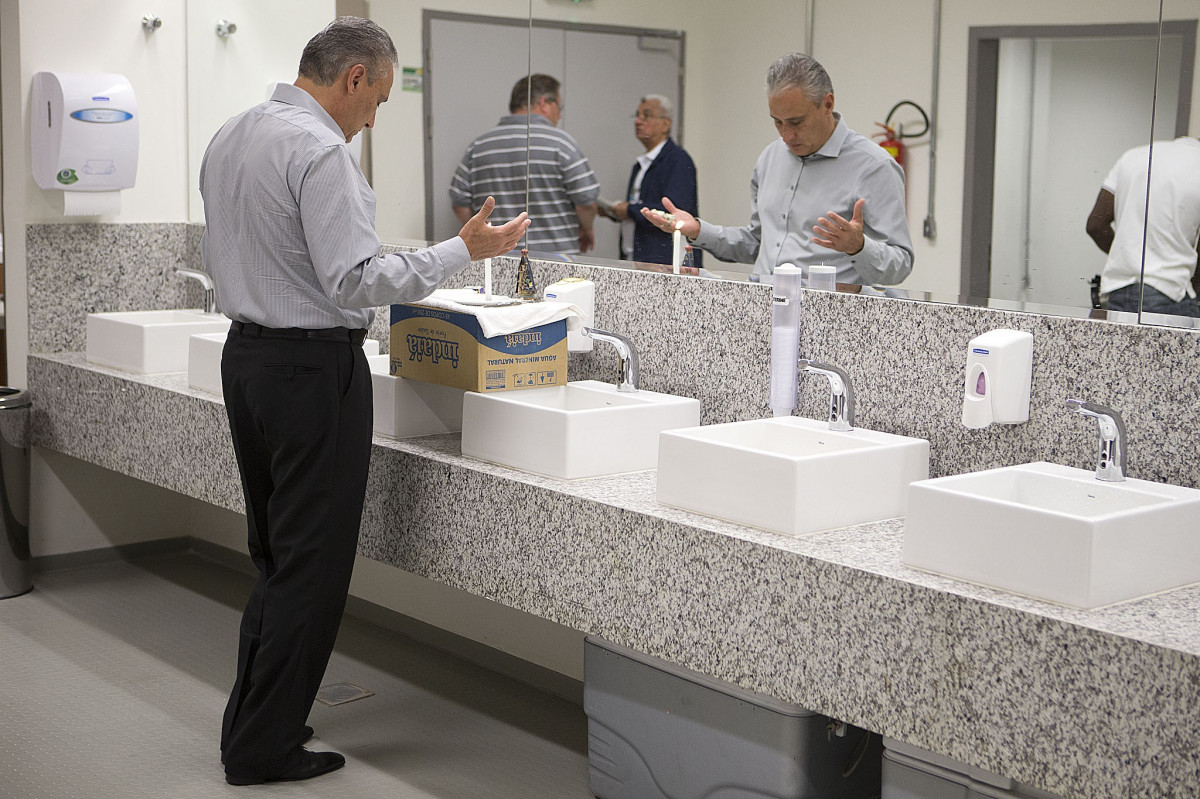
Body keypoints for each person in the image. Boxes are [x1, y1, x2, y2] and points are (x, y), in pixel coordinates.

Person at [199, 17, 528, 786]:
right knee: (310, 567)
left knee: (276, 556)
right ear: (352, 79)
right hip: (310, 372)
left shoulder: (234, 132)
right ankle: (263, 747)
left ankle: (251, 721)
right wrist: (460, 253)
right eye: (377, 98)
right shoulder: (320, 152)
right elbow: (351, 281)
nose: (373, 117)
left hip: (246, 360)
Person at [642, 53, 913, 286]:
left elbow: (900, 264)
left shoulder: (874, 167)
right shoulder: (771, 158)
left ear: (827, 104)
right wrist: (699, 230)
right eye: (777, 122)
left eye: (796, 122)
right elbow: (757, 243)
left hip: (829, 327)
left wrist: (859, 247)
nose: (786, 135)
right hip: (764, 316)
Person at [450, 74, 600, 254]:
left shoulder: (479, 146)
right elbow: (587, 203)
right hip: (557, 260)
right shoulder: (562, 144)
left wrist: (484, 240)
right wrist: (587, 229)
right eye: (558, 107)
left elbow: (459, 201)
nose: (559, 115)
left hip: (497, 258)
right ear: (544, 103)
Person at [1085, 137, 1200, 316]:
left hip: (1117, 290)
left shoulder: (1133, 156)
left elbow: (1096, 225)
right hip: (1168, 292)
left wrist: (1132, 257)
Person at [602, 94, 701, 267]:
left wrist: (629, 210)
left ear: (666, 124)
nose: (638, 121)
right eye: (637, 116)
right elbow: (641, 205)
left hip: (665, 264)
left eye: (646, 116)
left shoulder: (678, 160)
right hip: (635, 258)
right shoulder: (640, 165)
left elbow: (674, 212)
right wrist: (616, 212)